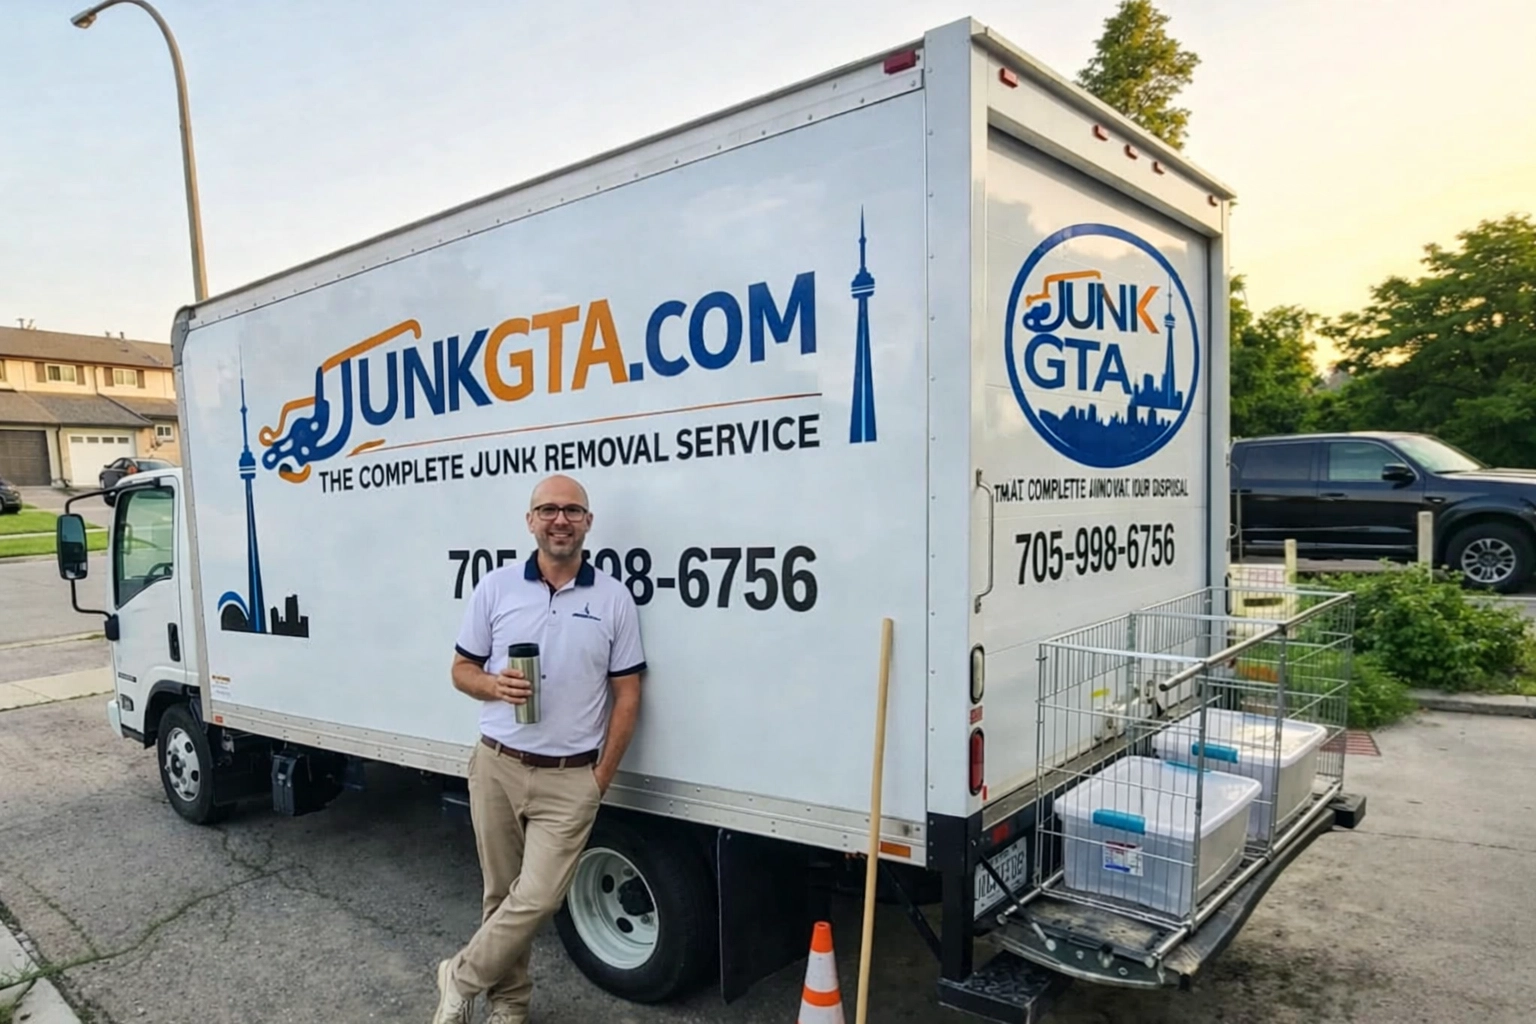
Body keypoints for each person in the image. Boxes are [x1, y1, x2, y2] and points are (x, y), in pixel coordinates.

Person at [433, 474, 646, 1024]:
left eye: (573, 511)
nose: (560, 520)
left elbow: (628, 694)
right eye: (548, 510)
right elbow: (461, 670)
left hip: (571, 777)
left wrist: (600, 778)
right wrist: (492, 685)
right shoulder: (496, 587)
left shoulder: (613, 598)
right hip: (497, 763)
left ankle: (458, 977)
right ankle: (509, 1004)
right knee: (500, 894)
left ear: (588, 523)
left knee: (542, 897)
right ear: (530, 521)